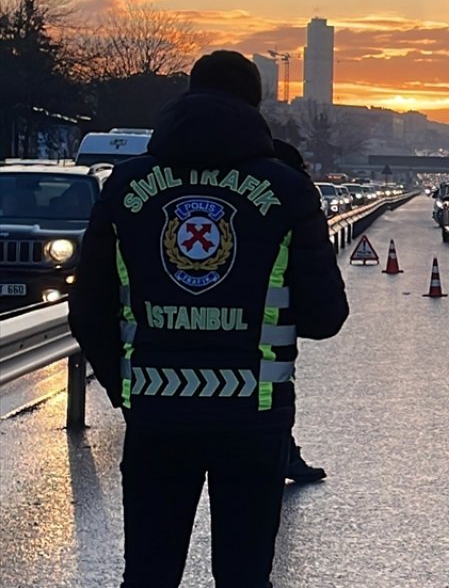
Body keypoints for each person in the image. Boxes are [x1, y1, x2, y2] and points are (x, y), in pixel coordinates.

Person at [68, 50, 348, 587]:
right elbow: (324, 316)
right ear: (254, 104)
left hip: (156, 417)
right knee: (243, 577)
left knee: (150, 574)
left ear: (189, 96)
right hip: (253, 420)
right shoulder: (287, 189)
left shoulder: (125, 187)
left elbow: (88, 309)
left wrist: (128, 389)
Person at [269, 137, 328, 485]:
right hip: (262, 367)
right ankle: (284, 454)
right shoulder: (288, 198)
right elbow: (325, 314)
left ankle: (285, 452)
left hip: (158, 399)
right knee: (248, 528)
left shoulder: (142, 183)